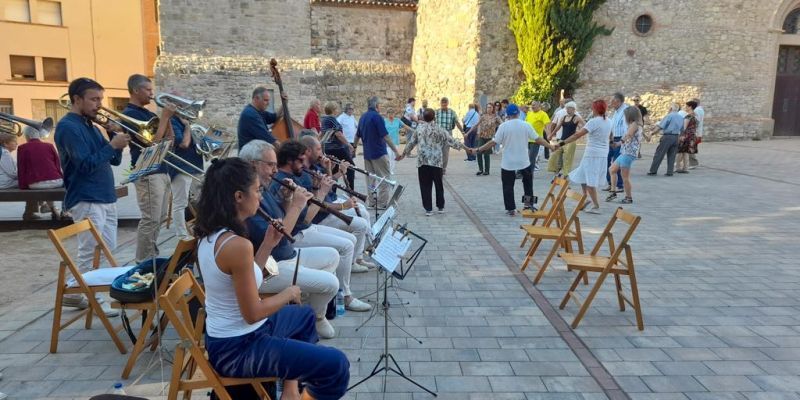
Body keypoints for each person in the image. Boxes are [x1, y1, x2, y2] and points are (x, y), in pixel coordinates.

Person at [193, 157, 350, 399]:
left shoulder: (212, 235)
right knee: (336, 366)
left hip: (238, 335)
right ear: (238, 197)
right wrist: (287, 293)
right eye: (256, 191)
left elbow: (245, 279)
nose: (260, 196)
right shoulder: (236, 245)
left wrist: (267, 245)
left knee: (305, 316)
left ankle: (290, 390)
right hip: (236, 349)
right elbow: (253, 312)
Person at [239, 140, 342, 339]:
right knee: (330, 283)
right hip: (271, 266)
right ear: (253, 164)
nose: (275, 171)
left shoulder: (263, 187)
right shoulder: (249, 197)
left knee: (332, 256)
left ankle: (309, 311)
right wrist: (297, 205)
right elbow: (277, 237)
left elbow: (284, 222)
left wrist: (287, 200)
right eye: (270, 165)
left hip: (287, 255)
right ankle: (313, 317)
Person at [55, 77, 131, 315]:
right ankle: (92, 297)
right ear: (77, 99)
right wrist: (111, 145)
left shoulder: (91, 126)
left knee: (107, 248)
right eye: (94, 99)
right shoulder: (69, 127)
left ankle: (90, 292)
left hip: (104, 195)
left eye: (100, 99)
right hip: (86, 196)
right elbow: (84, 165)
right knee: (90, 249)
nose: (99, 104)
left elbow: (114, 159)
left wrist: (112, 137)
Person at [270, 141, 370, 319]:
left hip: (307, 228)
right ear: (290, 160)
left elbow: (309, 212)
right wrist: (321, 192)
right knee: (346, 245)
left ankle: (333, 296)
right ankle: (344, 296)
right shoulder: (282, 182)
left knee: (350, 242)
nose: (304, 164)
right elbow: (307, 217)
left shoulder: (296, 175)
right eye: (301, 161)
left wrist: (320, 185)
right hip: (298, 234)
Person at [300, 135, 375, 276]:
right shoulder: (304, 173)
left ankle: (358, 258)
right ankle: (352, 262)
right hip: (320, 216)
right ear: (308, 151)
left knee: (363, 212)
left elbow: (328, 186)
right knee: (361, 222)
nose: (322, 153)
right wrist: (343, 207)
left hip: (328, 206)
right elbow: (317, 203)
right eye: (318, 149)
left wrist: (330, 169)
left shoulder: (315, 165)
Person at [123, 74, 174, 263]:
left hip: (160, 169)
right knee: (150, 218)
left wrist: (168, 119)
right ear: (136, 90)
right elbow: (150, 144)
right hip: (147, 172)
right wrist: (164, 118)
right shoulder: (130, 114)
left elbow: (169, 141)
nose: (152, 94)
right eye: (148, 90)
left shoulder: (149, 114)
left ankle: (151, 256)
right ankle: (143, 261)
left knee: (158, 218)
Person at [474, 104, 554, 216]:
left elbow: (493, 142)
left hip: (508, 162)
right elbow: (538, 139)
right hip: (524, 160)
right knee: (528, 183)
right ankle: (529, 204)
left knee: (508, 186)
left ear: (508, 114)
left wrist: (479, 149)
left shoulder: (503, 126)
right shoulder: (526, 125)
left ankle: (511, 209)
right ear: (518, 113)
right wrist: (551, 147)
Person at [399, 108, 471, 216]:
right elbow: (453, 141)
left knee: (425, 185)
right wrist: (467, 149)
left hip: (423, 162)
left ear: (423, 117)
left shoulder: (419, 129)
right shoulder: (440, 129)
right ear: (435, 118)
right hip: (437, 162)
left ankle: (428, 209)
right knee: (439, 184)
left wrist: (402, 154)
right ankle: (440, 206)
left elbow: (411, 143)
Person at [559, 99, 612, 214]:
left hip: (592, 154)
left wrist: (562, 143)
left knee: (590, 180)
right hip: (602, 153)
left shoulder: (593, 122)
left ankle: (596, 205)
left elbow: (577, 135)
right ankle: (585, 198)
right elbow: (610, 136)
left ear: (595, 109)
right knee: (583, 175)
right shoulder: (609, 121)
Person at [353, 96, 399, 208]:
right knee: (384, 178)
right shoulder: (377, 117)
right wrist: (396, 151)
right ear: (376, 106)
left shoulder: (363, 117)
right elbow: (386, 136)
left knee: (370, 179)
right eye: (380, 105)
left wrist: (354, 148)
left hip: (367, 154)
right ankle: (382, 203)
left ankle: (372, 202)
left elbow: (357, 135)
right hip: (379, 153)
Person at [166, 111, 204, 240]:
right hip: (181, 168)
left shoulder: (182, 120)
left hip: (193, 167)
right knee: (180, 203)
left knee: (195, 200)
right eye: (181, 104)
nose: (185, 108)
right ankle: (181, 235)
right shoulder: (172, 121)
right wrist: (187, 126)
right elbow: (184, 143)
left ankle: (196, 228)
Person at [17, 125, 65, 220]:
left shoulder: (22, 148)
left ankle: (41, 207)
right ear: (39, 135)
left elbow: (21, 169)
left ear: (27, 136)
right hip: (57, 182)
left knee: (36, 182)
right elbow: (57, 165)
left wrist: (23, 186)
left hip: (36, 184)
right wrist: (61, 178)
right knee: (46, 183)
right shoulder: (50, 146)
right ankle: (52, 208)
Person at [606, 107, 643, 204]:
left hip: (629, 153)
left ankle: (628, 197)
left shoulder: (635, 124)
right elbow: (625, 136)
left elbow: (629, 135)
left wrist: (621, 141)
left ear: (630, 115)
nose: (624, 117)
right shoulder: (632, 124)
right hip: (625, 152)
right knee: (612, 169)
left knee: (624, 177)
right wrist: (616, 144)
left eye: (625, 115)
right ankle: (613, 191)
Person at [547, 101, 584, 179]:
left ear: (573, 109)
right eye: (567, 108)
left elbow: (584, 126)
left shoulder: (576, 117)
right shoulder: (563, 117)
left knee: (567, 159)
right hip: (561, 140)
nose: (567, 110)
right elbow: (558, 127)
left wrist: (579, 133)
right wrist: (551, 134)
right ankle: (556, 174)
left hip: (571, 142)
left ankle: (565, 176)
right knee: (554, 155)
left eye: (569, 108)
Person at [647, 103, 685, 176]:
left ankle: (653, 170)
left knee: (659, 153)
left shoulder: (669, 116)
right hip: (676, 137)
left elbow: (660, 126)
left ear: (670, 109)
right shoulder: (681, 117)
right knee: (672, 155)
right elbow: (682, 130)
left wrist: (652, 133)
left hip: (668, 136)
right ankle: (670, 171)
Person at [466, 103, 501, 176]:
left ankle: (487, 170)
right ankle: (480, 169)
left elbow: (502, 124)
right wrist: (467, 133)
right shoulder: (483, 116)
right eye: (488, 107)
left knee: (486, 154)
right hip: (482, 137)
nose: (489, 109)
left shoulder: (496, 117)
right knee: (478, 152)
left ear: (493, 109)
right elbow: (475, 125)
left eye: (490, 107)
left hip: (489, 138)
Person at [605, 92, 628, 193]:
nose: (610, 103)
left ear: (618, 101)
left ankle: (619, 185)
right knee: (607, 159)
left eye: (612, 101)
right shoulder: (616, 111)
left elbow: (626, 128)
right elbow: (612, 125)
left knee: (617, 161)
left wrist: (622, 141)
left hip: (620, 138)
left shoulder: (625, 111)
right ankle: (611, 183)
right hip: (613, 138)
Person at [434, 97, 463, 174]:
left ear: (447, 103)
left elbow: (457, 122)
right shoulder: (436, 112)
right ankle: (437, 167)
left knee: (445, 152)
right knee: (437, 151)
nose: (443, 105)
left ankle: (443, 169)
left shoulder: (452, 112)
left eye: (445, 103)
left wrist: (462, 132)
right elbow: (431, 122)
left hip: (448, 133)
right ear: (440, 103)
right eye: (442, 103)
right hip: (438, 134)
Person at [335, 103, 358, 189]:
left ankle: (349, 174)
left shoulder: (352, 117)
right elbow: (336, 125)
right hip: (345, 141)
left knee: (351, 157)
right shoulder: (341, 117)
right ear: (346, 109)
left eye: (352, 109)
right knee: (348, 160)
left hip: (352, 141)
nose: (351, 111)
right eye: (350, 109)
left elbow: (356, 125)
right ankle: (348, 174)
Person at [525, 101, 551, 172]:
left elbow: (547, 124)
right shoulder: (529, 113)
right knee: (525, 157)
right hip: (526, 139)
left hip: (536, 140)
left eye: (534, 105)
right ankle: (521, 173)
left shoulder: (543, 114)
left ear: (539, 106)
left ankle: (529, 174)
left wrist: (549, 134)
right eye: (532, 105)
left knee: (531, 158)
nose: (532, 106)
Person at [676, 100, 699, 173]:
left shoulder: (688, 116)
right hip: (692, 136)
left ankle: (678, 167)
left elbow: (684, 127)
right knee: (686, 152)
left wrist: (681, 136)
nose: (685, 107)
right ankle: (685, 168)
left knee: (680, 152)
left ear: (690, 107)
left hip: (686, 136)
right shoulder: (695, 116)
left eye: (687, 106)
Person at [383, 108, 402, 174]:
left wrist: (413, 131)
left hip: (395, 141)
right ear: (387, 114)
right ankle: (388, 169)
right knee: (388, 156)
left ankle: (391, 170)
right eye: (389, 113)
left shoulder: (397, 120)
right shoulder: (384, 121)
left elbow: (405, 126)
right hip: (387, 141)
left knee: (393, 156)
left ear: (394, 114)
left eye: (392, 113)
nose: (391, 114)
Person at [689, 98, 704, 169]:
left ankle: (693, 163)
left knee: (690, 147)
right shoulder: (700, 110)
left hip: (695, 132)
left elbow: (696, 121)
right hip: (697, 132)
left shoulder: (697, 110)